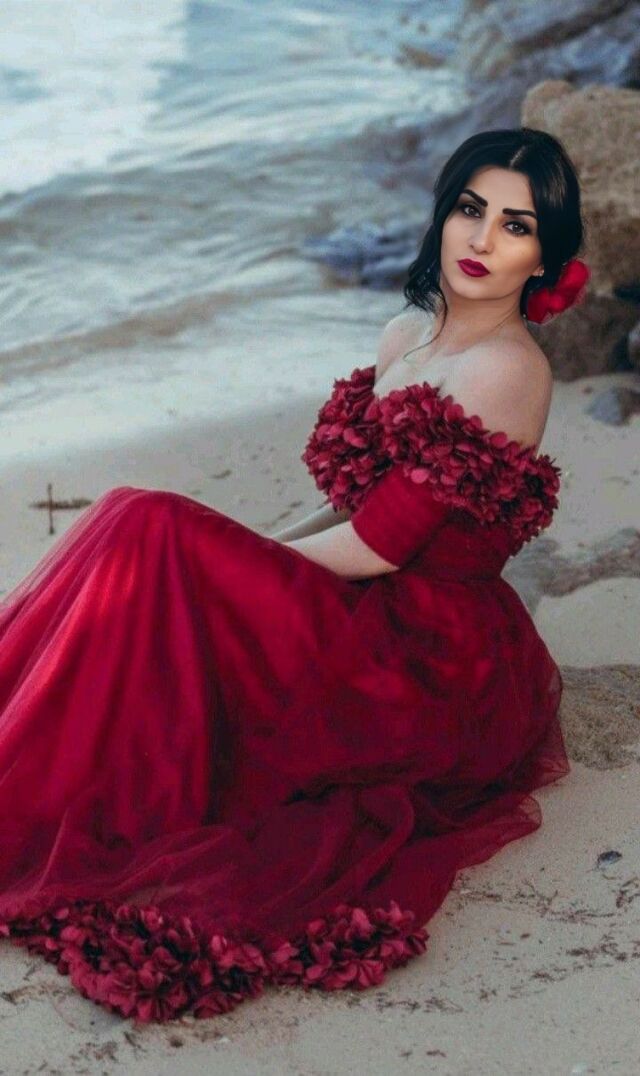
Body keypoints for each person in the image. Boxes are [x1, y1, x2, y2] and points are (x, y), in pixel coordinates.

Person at [0, 126, 588, 1025]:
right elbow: (349, 512)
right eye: (470, 210)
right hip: (369, 600)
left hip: (430, 656)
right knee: (145, 535)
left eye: (516, 226)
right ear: (441, 214)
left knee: (145, 526)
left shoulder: (506, 369)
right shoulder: (408, 333)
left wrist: (212, 562)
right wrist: (232, 554)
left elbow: (378, 550)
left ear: (543, 257)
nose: (481, 240)